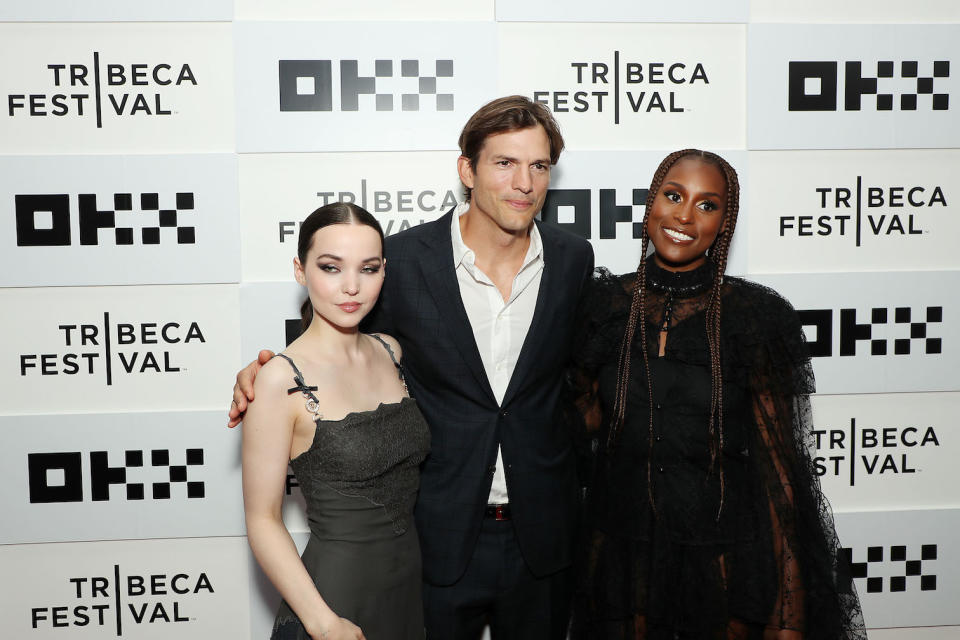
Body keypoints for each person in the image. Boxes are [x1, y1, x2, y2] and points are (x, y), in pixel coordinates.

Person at [230, 96, 595, 639]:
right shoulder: (400, 261)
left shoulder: (573, 259)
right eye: (504, 163)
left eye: (538, 165)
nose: (524, 182)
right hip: (435, 546)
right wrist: (262, 372)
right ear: (466, 170)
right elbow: (335, 330)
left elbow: (582, 375)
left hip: (544, 544)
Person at [567, 150, 866, 639]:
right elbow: (577, 426)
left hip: (720, 562)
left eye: (708, 205)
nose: (684, 216)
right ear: (650, 205)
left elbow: (781, 473)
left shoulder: (754, 317)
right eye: (673, 196)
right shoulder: (602, 306)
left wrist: (788, 614)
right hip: (621, 559)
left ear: (725, 223)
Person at [242, 202, 430, 640]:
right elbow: (263, 519)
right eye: (331, 267)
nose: (351, 287)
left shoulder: (390, 351)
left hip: (406, 597)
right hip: (332, 606)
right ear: (300, 270)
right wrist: (323, 623)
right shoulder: (279, 381)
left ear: (384, 271)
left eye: (367, 269)